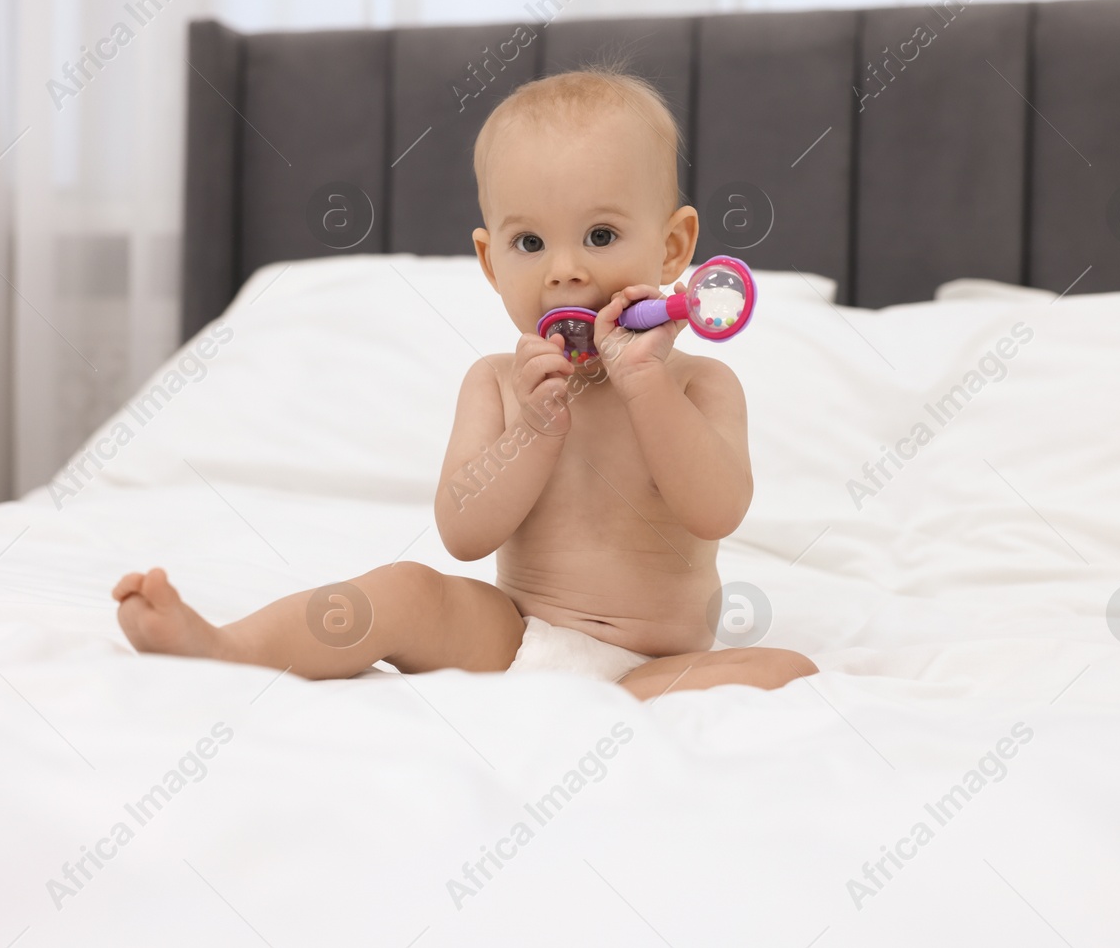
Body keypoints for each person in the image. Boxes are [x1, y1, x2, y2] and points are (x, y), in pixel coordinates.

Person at [113, 63, 817, 700]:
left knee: (789, 672)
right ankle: (229, 647)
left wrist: (645, 385)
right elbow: (463, 534)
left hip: (652, 665)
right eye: (530, 243)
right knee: (404, 590)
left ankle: (614, 705)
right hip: (513, 637)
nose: (564, 269)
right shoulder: (498, 383)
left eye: (600, 236)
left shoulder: (701, 385)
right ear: (490, 262)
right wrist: (534, 430)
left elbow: (715, 509)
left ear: (672, 249)